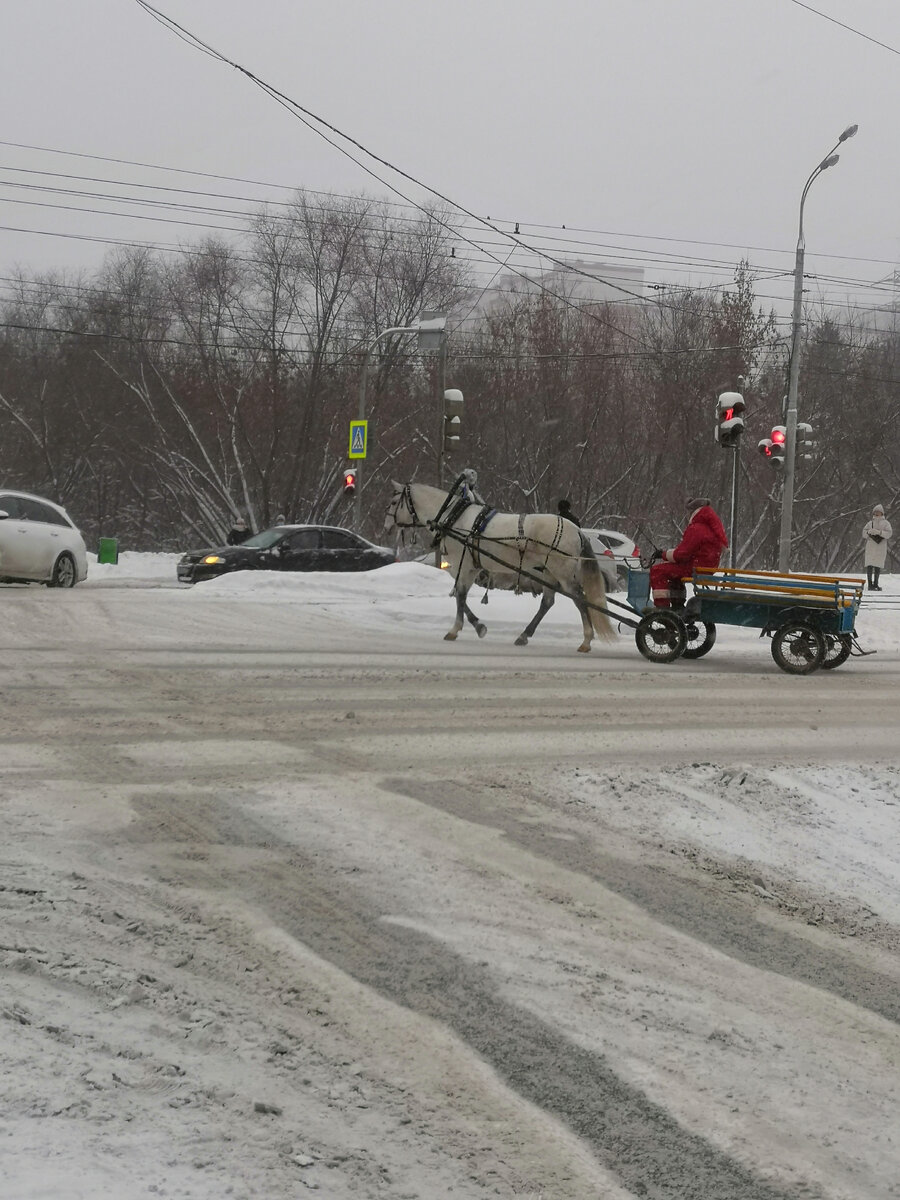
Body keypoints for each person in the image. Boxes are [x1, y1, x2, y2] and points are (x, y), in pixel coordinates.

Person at [649, 496, 728, 609]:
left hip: (695, 568)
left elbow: (682, 554)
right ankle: (678, 606)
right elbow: (686, 552)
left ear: (694, 511)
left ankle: (662, 607)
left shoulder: (697, 528)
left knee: (657, 571)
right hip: (703, 567)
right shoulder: (709, 527)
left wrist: (662, 554)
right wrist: (667, 554)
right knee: (675, 574)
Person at [862, 503, 891, 591]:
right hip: (870, 547)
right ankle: (870, 585)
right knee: (869, 566)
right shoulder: (870, 523)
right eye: (875, 512)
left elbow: (889, 534)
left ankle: (876, 584)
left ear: (882, 513)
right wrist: (869, 532)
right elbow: (863, 533)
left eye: (878, 512)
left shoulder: (886, 523)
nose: (876, 514)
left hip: (880, 547)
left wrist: (879, 532)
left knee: (877, 566)